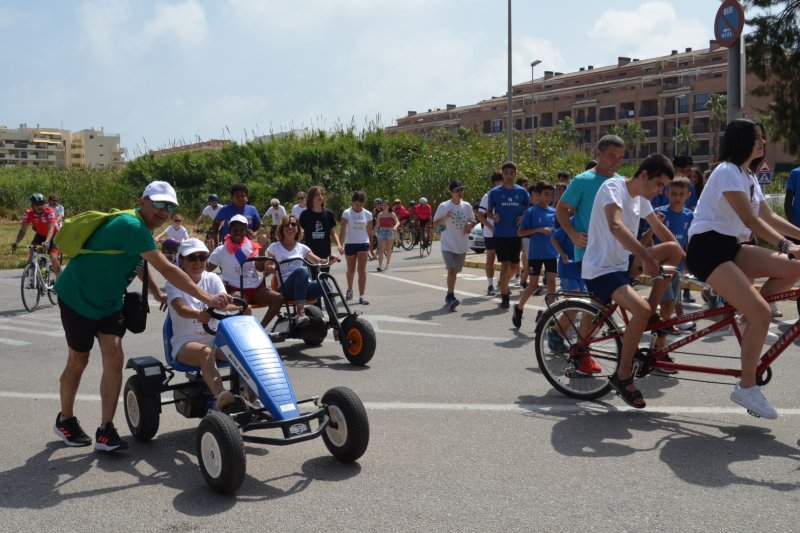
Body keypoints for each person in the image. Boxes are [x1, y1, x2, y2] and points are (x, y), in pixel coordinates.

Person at [53, 181, 232, 452]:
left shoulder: (141, 230)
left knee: (114, 359)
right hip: (77, 297)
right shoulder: (132, 225)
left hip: (110, 303)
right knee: (79, 360)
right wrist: (206, 298)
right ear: (143, 201)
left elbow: (136, 263)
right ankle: (65, 419)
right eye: (159, 204)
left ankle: (105, 430)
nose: (164, 211)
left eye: (170, 206)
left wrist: (156, 293)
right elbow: (168, 269)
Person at [686, 119, 800, 419]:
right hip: (707, 249)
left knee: (792, 270)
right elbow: (751, 221)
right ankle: (746, 387)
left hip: (730, 248)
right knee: (764, 312)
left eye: (763, 137)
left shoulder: (747, 175)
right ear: (741, 141)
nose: (762, 143)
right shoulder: (726, 171)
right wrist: (786, 246)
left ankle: (748, 318)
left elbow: (769, 217)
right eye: (757, 138)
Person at [582, 154, 684, 408]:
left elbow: (661, 232)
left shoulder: (642, 198)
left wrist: (685, 255)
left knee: (675, 251)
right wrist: (646, 256)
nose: (661, 192)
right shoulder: (613, 188)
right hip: (602, 268)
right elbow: (615, 226)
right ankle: (622, 374)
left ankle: (650, 312)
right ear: (644, 176)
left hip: (624, 264)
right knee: (640, 310)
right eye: (659, 185)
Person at [166, 238, 237, 411]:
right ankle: (224, 402)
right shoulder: (173, 282)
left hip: (214, 339)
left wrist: (242, 308)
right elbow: (180, 308)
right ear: (182, 259)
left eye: (202, 257)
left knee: (241, 350)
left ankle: (251, 398)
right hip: (185, 342)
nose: (198, 262)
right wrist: (198, 314)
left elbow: (224, 304)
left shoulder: (212, 278)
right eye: (192, 258)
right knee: (205, 353)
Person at [556, 135, 626, 268]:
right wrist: (572, 234)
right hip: (589, 254)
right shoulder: (582, 180)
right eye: (612, 156)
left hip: (615, 254)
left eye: (621, 157)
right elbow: (561, 208)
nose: (617, 162)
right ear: (598, 153)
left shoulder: (622, 182)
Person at [207, 214, 283, 329]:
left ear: (246, 231)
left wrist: (261, 248)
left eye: (242, 229)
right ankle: (243, 332)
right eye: (235, 229)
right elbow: (207, 268)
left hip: (256, 288)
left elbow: (260, 268)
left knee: (278, 298)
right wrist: (208, 251)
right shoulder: (221, 250)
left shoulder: (252, 246)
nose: (238, 232)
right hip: (236, 289)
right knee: (240, 303)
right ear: (230, 230)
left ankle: (261, 329)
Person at [267, 215, 340, 325]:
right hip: (286, 288)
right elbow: (268, 266)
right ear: (282, 228)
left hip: (304, 287)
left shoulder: (302, 247)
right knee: (302, 270)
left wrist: (329, 260)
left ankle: (335, 324)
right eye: (287, 224)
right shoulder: (274, 247)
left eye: (293, 224)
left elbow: (318, 261)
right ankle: (300, 313)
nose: (290, 227)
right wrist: (271, 268)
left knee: (324, 283)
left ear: (297, 229)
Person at [512, 182, 558, 328]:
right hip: (536, 254)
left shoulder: (554, 212)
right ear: (537, 195)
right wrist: (538, 229)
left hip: (551, 253)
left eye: (551, 195)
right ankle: (519, 308)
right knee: (532, 285)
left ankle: (549, 314)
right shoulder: (531, 212)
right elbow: (520, 232)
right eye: (545, 194)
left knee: (551, 285)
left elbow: (558, 230)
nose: (548, 198)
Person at [485, 161, 530, 309]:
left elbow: (528, 209)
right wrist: (493, 216)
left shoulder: (522, 192)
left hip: (516, 233)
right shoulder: (495, 192)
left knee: (515, 266)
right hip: (500, 234)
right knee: (505, 265)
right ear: (503, 174)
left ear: (515, 174)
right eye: (506, 173)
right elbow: (488, 211)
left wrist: (522, 217)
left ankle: (502, 282)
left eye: (512, 173)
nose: (509, 175)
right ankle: (505, 296)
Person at [432, 180, 475, 311]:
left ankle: (449, 295)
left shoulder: (467, 206)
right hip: (447, 244)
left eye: (462, 190)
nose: (460, 192)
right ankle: (450, 296)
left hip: (461, 245)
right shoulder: (444, 206)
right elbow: (435, 225)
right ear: (451, 192)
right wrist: (445, 218)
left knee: (455, 272)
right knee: (451, 269)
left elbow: (473, 221)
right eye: (457, 190)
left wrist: (470, 224)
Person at [11, 193, 63, 280]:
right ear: (32, 205)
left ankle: (61, 281)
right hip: (40, 235)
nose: (40, 206)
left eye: (42, 204)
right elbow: (23, 230)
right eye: (37, 204)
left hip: (54, 235)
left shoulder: (50, 212)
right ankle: (31, 275)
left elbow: (51, 230)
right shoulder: (28, 213)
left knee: (53, 257)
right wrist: (16, 242)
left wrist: (47, 242)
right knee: (32, 250)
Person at [299, 185, 343, 272]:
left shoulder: (328, 214)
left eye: (321, 194)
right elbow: (300, 233)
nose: (320, 196)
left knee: (323, 279)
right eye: (317, 195)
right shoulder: (305, 215)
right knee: (312, 282)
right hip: (310, 255)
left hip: (325, 253)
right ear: (311, 197)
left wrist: (338, 245)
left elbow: (333, 232)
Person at [339, 191, 373, 305]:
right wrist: (340, 243)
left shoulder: (368, 214)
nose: (357, 206)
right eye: (356, 204)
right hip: (350, 243)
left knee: (362, 270)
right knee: (351, 270)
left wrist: (372, 248)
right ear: (352, 202)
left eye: (360, 204)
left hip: (363, 243)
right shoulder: (346, 213)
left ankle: (362, 296)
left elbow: (369, 231)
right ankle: (349, 289)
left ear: (363, 203)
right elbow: (343, 229)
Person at [476, 171, 503, 295]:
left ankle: (503, 282)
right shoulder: (488, 195)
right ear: (495, 182)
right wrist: (490, 227)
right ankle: (490, 285)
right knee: (491, 258)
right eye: (501, 180)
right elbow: (480, 215)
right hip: (491, 233)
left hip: (505, 232)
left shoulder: (507, 194)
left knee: (507, 260)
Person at [211, 183, 262, 249]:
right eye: (237, 196)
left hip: (246, 248)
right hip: (228, 247)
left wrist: (255, 234)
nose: (240, 198)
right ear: (232, 198)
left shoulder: (252, 210)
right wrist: (216, 242)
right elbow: (215, 223)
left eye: (243, 196)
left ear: (247, 198)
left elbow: (259, 227)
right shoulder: (225, 209)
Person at [374, 199, 399, 271]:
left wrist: (395, 227)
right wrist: (373, 232)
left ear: (389, 206)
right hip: (381, 231)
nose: (384, 206)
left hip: (390, 231)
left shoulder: (392, 214)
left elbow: (397, 222)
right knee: (381, 249)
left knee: (388, 249)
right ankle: (380, 265)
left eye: (386, 205)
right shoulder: (380, 214)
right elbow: (377, 224)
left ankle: (387, 264)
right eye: (383, 205)